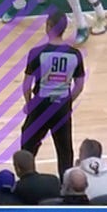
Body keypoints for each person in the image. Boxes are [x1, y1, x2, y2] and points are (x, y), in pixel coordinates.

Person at [20, 11, 85, 176]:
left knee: (27, 146)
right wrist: (68, 101)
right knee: (65, 151)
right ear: (64, 28)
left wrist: (29, 103)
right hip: (62, 106)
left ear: (48, 26)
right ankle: (66, 184)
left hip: (40, 105)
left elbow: (27, 84)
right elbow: (79, 85)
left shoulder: (37, 53)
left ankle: (26, 179)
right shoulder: (75, 54)